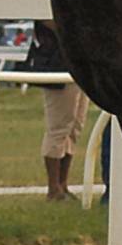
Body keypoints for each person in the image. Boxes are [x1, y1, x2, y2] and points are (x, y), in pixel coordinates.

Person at [26, 22, 86, 201]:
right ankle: (53, 187)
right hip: (58, 63)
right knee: (59, 127)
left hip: (78, 64)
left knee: (75, 127)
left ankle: (63, 184)